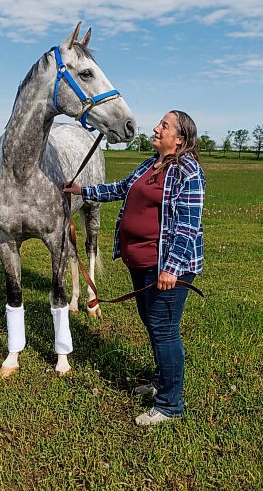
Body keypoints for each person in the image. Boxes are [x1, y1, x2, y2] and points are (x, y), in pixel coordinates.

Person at [63, 110, 205, 427]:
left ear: (179, 139)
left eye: (164, 126)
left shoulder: (189, 173)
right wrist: (80, 192)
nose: (156, 127)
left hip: (167, 269)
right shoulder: (149, 165)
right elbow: (118, 188)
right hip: (141, 264)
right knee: (155, 328)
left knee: (165, 333)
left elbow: (187, 227)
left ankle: (170, 404)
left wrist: (172, 269)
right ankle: (161, 382)